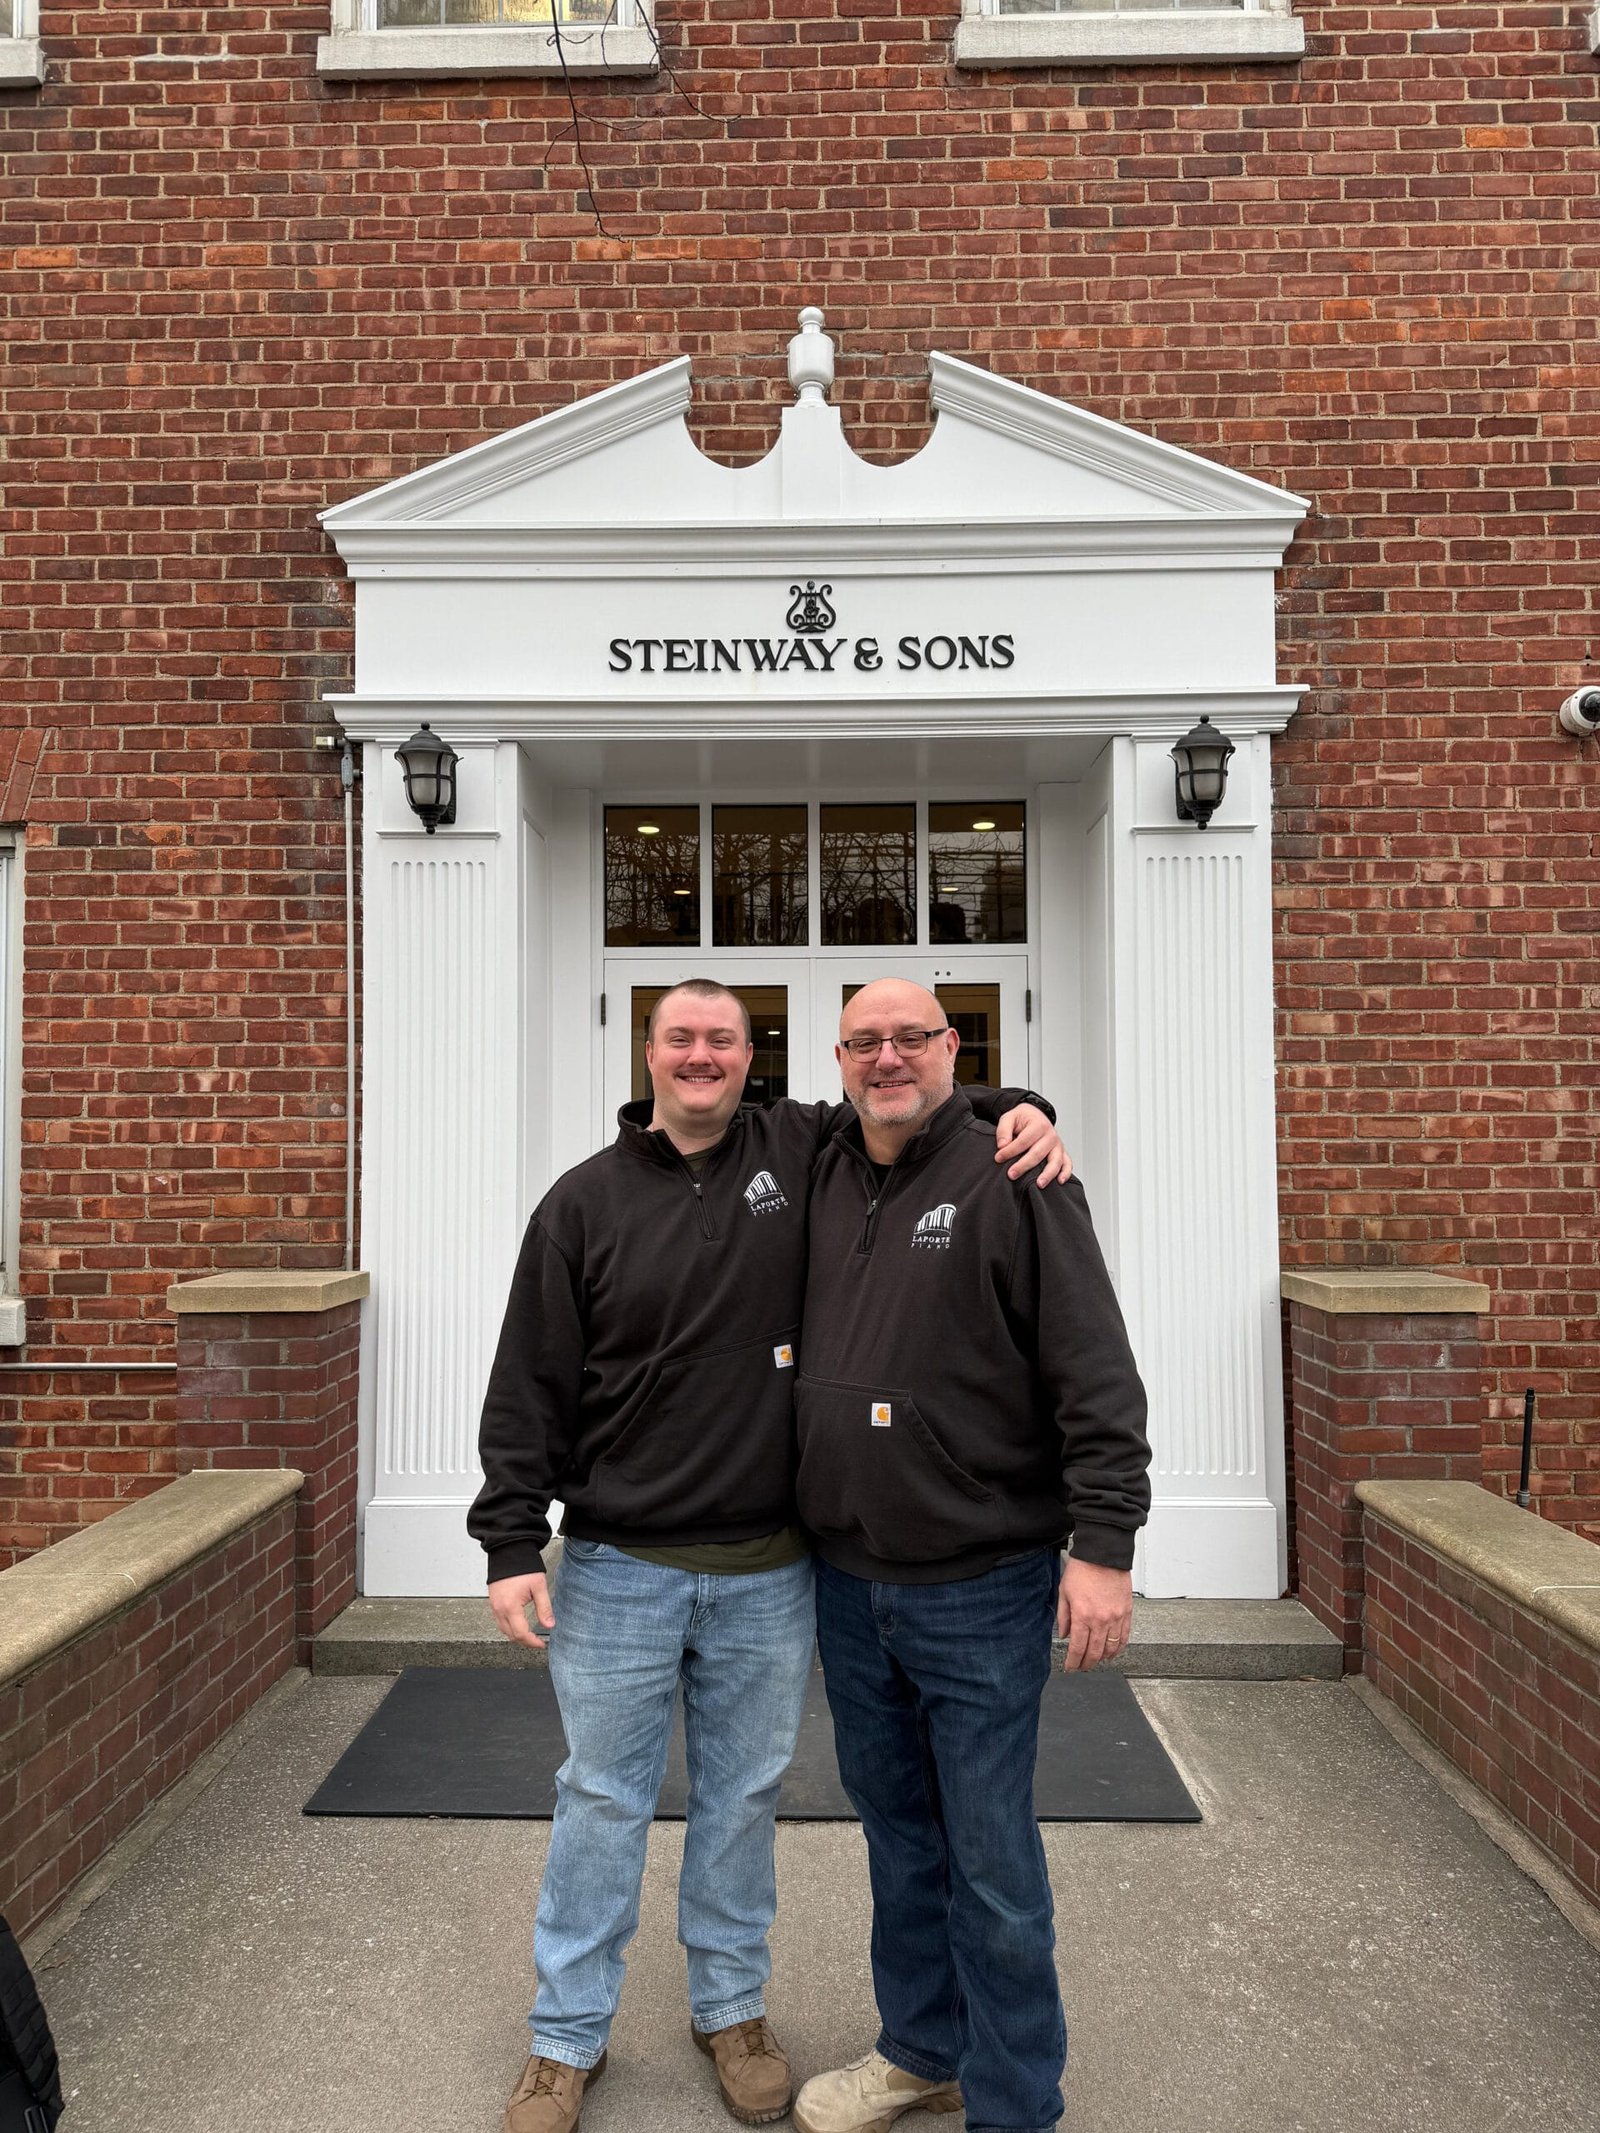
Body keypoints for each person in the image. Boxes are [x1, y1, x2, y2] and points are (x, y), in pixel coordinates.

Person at [469, 978, 1068, 2133]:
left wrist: (1021, 1109)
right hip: (617, 1567)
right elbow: (527, 1383)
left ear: (756, 1058)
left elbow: (914, 1101)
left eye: (725, 1040)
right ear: (647, 1053)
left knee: (742, 1802)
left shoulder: (800, 1149)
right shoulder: (579, 1205)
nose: (703, 1056)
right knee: (600, 1800)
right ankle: (562, 2042)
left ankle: (730, 2011)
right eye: (682, 1038)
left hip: (769, 1575)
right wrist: (509, 1539)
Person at [790, 978, 1151, 2133]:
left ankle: (1014, 2104)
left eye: (913, 1037)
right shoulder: (821, 1162)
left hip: (981, 1587)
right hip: (849, 1584)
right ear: (839, 1058)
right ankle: (920, 2053)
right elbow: (697, 1117)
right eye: (865, 1042)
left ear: (953, 1047)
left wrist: (1104, 1545)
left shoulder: (1020, 1175)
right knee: (898, 1844)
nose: (887, 1057)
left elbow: (1094, 1370)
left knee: (991, 1866)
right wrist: (1016, 1097)